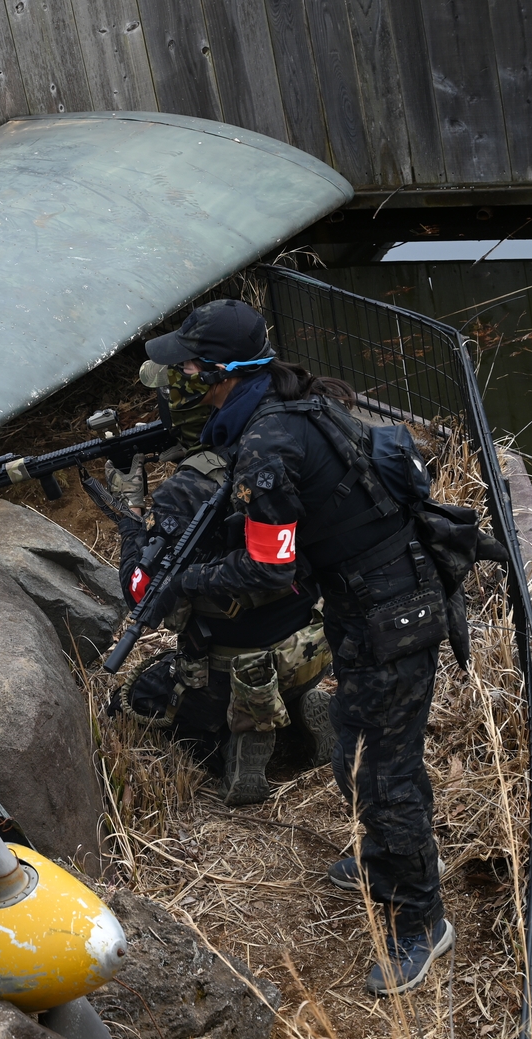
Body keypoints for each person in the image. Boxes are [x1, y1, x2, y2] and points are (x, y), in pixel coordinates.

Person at [146, 298, 453, 995]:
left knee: (386, 773)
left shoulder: (267, 441)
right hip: (365, 602)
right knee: (355, 742)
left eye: (189, 367)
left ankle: (422, 925)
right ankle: (383, 862)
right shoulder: (287, 407)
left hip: (393, 610)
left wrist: (183, 579)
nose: (182, 379)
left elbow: (267, 569)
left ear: (218, 372)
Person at [107, 348, 333, 806]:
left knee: (134, 702)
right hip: (310, 642)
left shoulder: (186, 490)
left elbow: (143, 595)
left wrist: (131, 510)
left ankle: (239, 743)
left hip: (229, 669)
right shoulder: (281, 441)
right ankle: (296, 703)